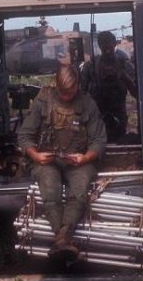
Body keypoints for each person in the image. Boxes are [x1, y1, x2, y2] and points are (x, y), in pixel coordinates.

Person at [17, 64, 107, 259]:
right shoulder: (43, 100)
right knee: (50, 189)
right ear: (56, 85)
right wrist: (35, 155)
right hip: (48, 160)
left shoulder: (87, 104)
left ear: (78, 86)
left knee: (80, 190)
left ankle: (61, 238)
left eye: (71, 92)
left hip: (78, 161)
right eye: (62, 92)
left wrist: (85, 157)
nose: (66, 97)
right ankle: (63, 239)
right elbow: (24, 136)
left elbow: (99, 141)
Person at [81, 31, 138, 142]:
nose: (107, 51)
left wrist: (124, 76)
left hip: (118, 114)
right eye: (104, 48)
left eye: (109, 48)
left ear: (114, 45)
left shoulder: (124, 64)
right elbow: (82, 93)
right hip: (97, 114)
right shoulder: (91, 66)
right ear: (99, 46)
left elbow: (137, 93)